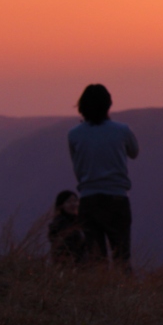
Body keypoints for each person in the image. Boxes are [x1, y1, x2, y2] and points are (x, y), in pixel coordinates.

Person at [68, 84, 139, 268]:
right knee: (122, 257)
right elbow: (134, 152)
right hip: (117, 198)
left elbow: (76, 162)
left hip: (88, 199)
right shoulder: (122, 130)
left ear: (82, 106)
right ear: (108, 104)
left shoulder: (74, 134)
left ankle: (99, 294)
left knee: (95, 259)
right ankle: (123, 294)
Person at [48, 190, 85, 263]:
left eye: (75, 201)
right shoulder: (60, 223)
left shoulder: (79, 222)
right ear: (61, 206)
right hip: (69, 265)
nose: (73, 204)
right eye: (68, 202)